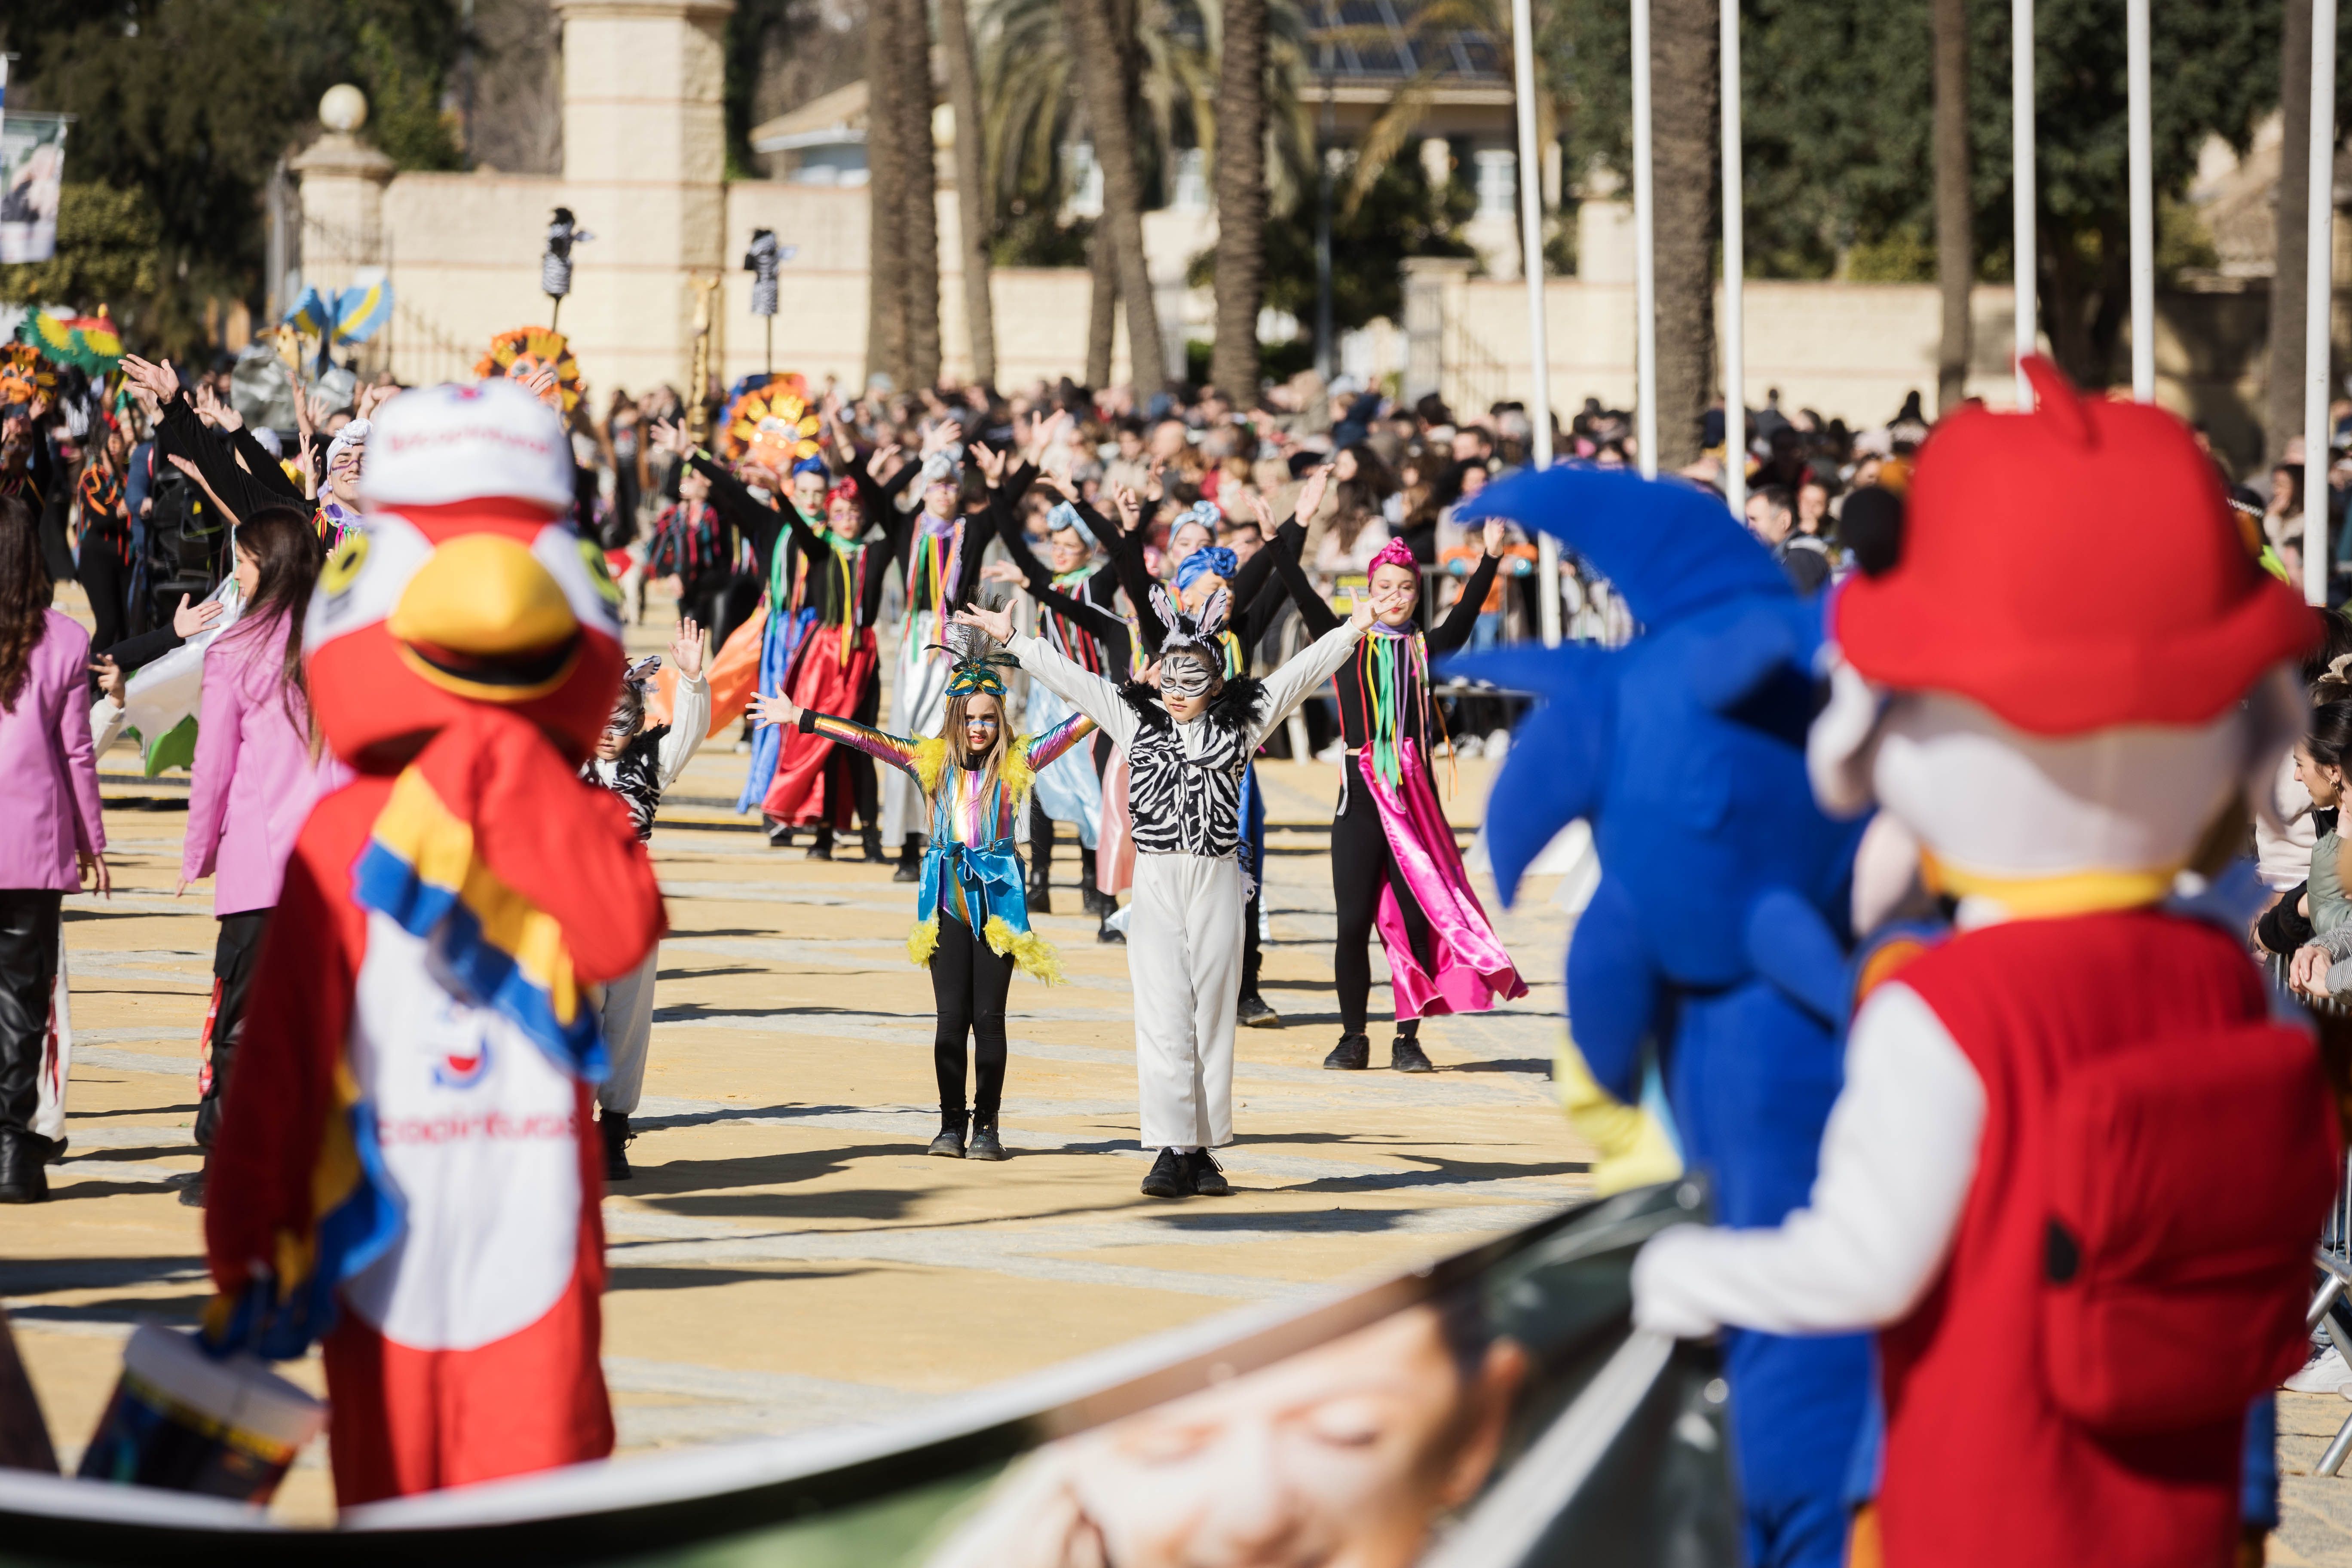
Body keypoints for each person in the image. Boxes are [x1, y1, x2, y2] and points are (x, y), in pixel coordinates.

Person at [1631, 358, 2334, 1568]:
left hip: (1983, 1508)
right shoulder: (2223, 975)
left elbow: (1867, 1261)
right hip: (2184, 1511)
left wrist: (1685, 1273)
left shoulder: (1943, 1003)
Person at [201, 380, 664, 1506]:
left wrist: (499, 756)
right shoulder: (343, 834)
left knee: (542, 1488)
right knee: (393, 1484)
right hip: (378, 1227)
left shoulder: (567, 812)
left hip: (532, 1218)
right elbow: (285, 1052)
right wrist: (249, 1224)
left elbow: (617, 929)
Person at [963, 578, 1381, 1200]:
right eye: (1170, 678)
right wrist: (1017, 642)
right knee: (1163, 1016)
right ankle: (1169, 1148)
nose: (1179, 692)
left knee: (1211, 1017)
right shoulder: (1135, 720)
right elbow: (1076, 682)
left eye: (1194, 680)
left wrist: (1354, 628)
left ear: (1216, 683)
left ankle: (1202, 1151)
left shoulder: (1242, 726)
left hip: (1217, 879)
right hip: (1156, 879)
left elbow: (1298, 675)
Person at [752, 627, 1090, 1162]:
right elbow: (866, 738)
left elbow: (1077, 726)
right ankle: (950, 1125)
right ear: (954, 718)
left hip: (1000, 904)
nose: (978, 728)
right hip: (945, 904)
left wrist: (1129, 693)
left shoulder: (1019, 760)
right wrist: (801, 717)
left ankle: (987, 1128)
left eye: (989, 719)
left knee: (990, 1020)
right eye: (969, 718)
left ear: (1002, 721)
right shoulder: (927, 761)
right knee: (951, 1021)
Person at [1261, 478, 1528, 1071]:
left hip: (1413, 801)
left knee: (1414, 919)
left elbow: (1465, 616)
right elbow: (1302, 593)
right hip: (1359, 797)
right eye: (1385, 587)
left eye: (1406, 588)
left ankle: (1408, 1038)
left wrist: (1490, 557)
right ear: (1368, 591)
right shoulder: (1345, 644)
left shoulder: (1426, 648)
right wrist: (1277, 540)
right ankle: (1352, 1036)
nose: (1396, 597)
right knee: (1353, 922)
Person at [177, 506, 348, 1206]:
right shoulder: (343, 643)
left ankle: (225, 1155)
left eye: (244, 561)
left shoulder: (234, 649)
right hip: (334, 865)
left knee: (239, 1017)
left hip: (258, 867)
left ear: (271, 565)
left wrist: (198, 853)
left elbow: (212, 768)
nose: (236, 574)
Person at [0, 493, 107, 1204]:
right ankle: (12, 1150)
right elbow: (78, 755)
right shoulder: (66, 640)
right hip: (32, 845)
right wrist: (92, 840)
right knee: (22, 1000)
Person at [582, 621, 710, 1181]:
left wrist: (693, 681)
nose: (609, 732)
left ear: (637, 722)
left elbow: (688, 735)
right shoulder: (563, 762)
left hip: (630, 907)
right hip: (573, 906)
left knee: (628, 1020)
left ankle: (614, 1129)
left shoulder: (649, 764)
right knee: (576, 1014)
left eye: (622, 721)